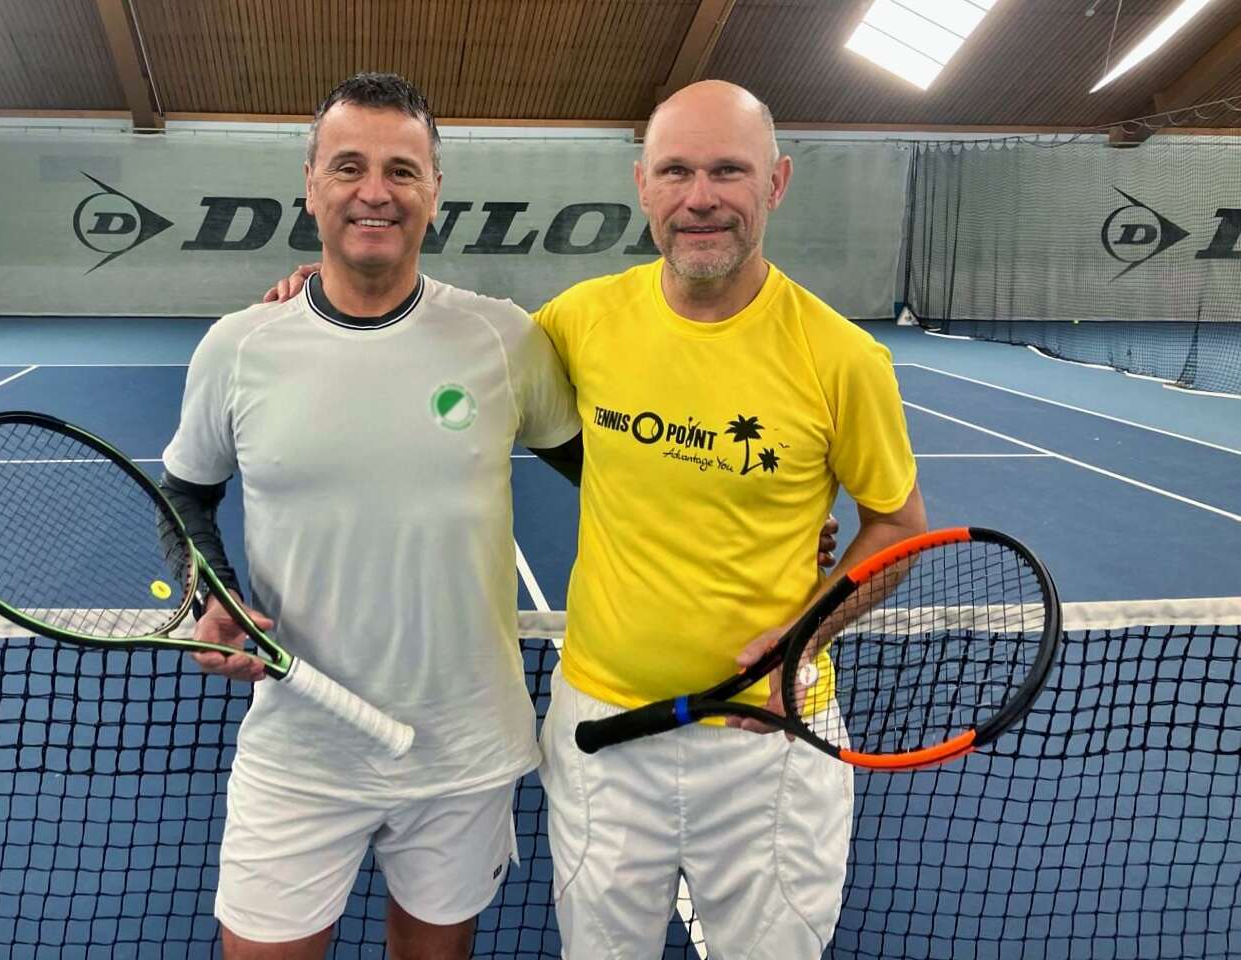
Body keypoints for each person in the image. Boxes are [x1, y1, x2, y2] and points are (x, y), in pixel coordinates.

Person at [266, 79, 924, 959]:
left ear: (775, 183)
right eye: (675, 171)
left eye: (728, 171)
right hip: (600, 735)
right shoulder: (580, 322)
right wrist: (322, 297)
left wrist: (807, 630)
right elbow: (441, 347)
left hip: (767, 740)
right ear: (642, 185)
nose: (700, 198)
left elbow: (897, 527)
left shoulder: (843, 357)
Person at [160, 73, 582, 960]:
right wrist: (214, 596)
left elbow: (612, 476)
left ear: (435, 189)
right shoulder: (239, 346)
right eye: (348, 166)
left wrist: (758, 522)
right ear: (310, 184)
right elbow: (186, 491)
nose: (374, 191)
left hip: (462, 752)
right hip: (300, 750)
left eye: (402, 169)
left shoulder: (503, 339)